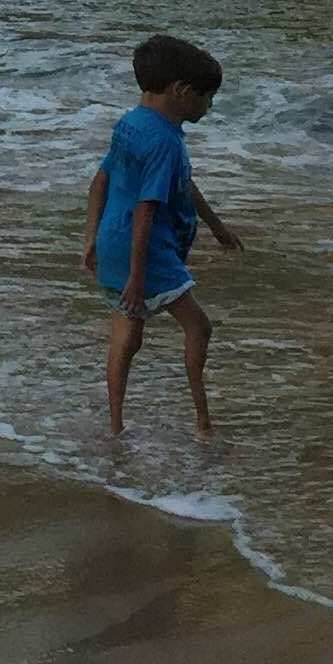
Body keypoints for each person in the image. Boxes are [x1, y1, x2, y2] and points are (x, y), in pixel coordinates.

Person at [93, 34, 231, 435]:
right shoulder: (166, 142)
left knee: (126, 338)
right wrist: (138, 278)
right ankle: (204, 423)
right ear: (182, 92)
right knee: (198, 327)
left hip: (113, 241)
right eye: (207, 97)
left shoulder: (131, 124)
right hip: (148, 254)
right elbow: (146, 209)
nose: (209, 106)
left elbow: (100, 181)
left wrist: (215, 225)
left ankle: (116, 425)